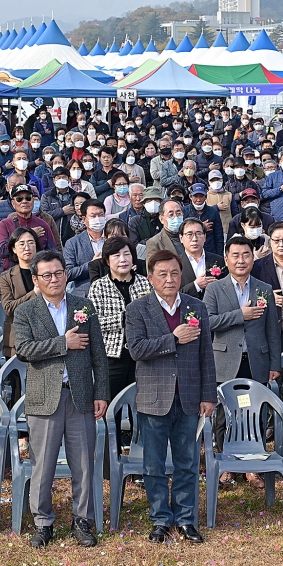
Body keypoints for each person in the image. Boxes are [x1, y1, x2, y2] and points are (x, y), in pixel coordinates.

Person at [12, 251, 109, 548]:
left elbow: (99, 356)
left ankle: (83, 519)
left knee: (84, 463)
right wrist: (62, 343)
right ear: (36, 279)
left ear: (66, 274)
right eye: (47, 275)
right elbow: (24, 350)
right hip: (44, 399)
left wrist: (101, 393)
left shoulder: (84, 306)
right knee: (43, 465)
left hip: (80, 396)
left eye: (58, 273)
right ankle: (43, 522)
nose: (54, 279)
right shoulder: (26, 311)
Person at [125, 249, 216, 544]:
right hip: (154, 398)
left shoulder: (195, 307)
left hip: (189, 396)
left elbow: (206, 355)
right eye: (162, 274)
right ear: (150, 278)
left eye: (175, 273)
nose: (169, 279)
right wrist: (173, 338)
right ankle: (161, 519)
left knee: (187, 462)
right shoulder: (138, 309)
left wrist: (208, 394)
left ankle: (187, 520)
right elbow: (136, 349)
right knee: (153, 465)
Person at [205, 236, 282, 462]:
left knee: (255, 412)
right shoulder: (215, 289)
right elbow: (208, 322)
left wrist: (275, 364)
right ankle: (227, 462)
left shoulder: (264, 289)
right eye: (235, 255)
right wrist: (240, 315)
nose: (241, 260)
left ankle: (252, 462)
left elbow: (272, 331)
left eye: (246, 255)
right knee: (224, 414)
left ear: (253, 258)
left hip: (256, 360)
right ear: (226, 259)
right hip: (226, 362)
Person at [87, 236, 152, 418]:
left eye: (127, 254)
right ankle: (111, 446)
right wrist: (123, 318)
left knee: (140, 410)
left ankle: (137, 445)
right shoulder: (99, 287)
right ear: (107, 260)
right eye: (116, 255)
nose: (123, 259)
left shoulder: (145, 283)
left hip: (140, 357)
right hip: (112, 357)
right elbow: (94, 323)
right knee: (110, 411)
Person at [0, 228, 38, 403]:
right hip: (17, 339)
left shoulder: (46, 273)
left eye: (31, 242)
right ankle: (19, 429)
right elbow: (8, 308)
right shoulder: (7, 277)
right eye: (21, 243)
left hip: (44, 336)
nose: (27, 247)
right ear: (13, 248)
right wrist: (34, 293)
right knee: (18, 388)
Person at [0, 184, 59, 270]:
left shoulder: (43, 224)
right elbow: (2, 251)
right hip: (13, 273)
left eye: (28, 198)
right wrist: (30, 234)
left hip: (39, 273)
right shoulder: (5, 224)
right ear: (13, 203)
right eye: (19, 199)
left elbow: (53, 252)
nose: (24, 201)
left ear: (33, 201)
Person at [64, 200, 108, 295]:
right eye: (93, 216)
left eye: (101, 215)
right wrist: (91, 265)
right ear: (84, 219)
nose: (98, 219)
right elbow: (68, 273)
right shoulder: (73, 243)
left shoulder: (113, 237)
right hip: (86, 293)